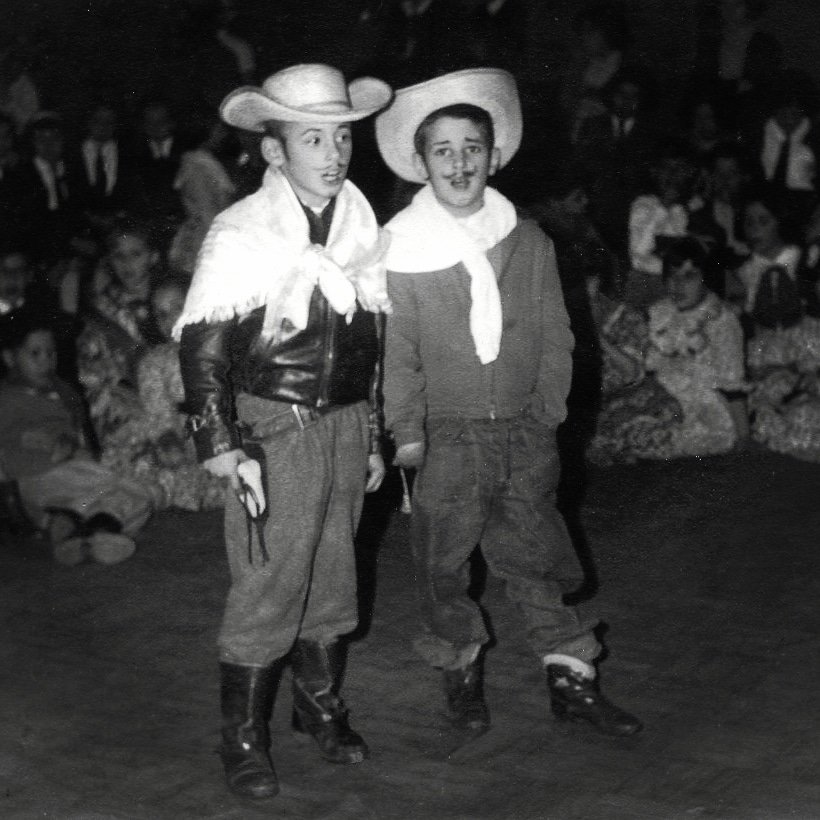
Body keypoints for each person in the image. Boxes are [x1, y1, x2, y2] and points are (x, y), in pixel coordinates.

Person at [375, 68, 641, 740]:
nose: (459, 163)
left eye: (472, 148)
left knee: (535, 559)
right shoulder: (401, 253)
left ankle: (570, 681)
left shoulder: (528, 241)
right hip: (446, 438)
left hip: (522, 433)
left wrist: (546, 415)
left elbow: (558, 335)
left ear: (493, 156)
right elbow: (397, 354)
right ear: (420, 162)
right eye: (443, 150)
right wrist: (408, 433)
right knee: (444, 564)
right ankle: (461, 671)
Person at [174, 64, 392, 801]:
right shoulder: (242, 233)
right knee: (269, 580)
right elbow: (201, 344)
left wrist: (372, 437)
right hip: (275, 431)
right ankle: (241, 736)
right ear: (274, 152)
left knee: (332, 575)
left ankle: (319, 707)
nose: (332, 153)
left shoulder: (362, 228)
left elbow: (374, 346)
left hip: (343, 423)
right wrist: (221, 441)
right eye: (311, 139)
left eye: (340, 136)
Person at [0, 304, 152, 565]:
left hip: (66, 483)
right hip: (37, 478)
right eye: (34, 354)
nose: (46, 361)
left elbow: (78, 430)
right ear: (10, 358)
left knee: (128, 492)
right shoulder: (9, 398)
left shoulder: (61, 391)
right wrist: (47, 441)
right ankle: (100, 526)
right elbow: (22, 436)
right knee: (136, 492)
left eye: (51, 353)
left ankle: (73, 531)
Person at [644, 237, 747, 457]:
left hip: (702, 406)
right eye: (672, 276)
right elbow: (650, 364)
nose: (678, 285)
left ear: (705, 279)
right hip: (661, 399)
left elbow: (732, 383)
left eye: (689, 276)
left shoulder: (720, 319)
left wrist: (744, 436)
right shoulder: (658, 312)